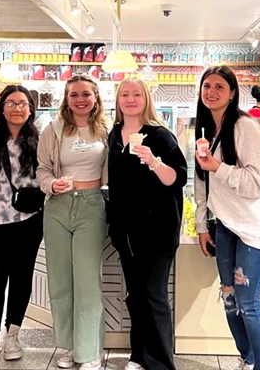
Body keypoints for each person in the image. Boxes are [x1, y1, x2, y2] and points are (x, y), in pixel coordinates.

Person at [194, 66, 260, 370]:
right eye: (207, 86)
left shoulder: (245, 127)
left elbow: (258, 183)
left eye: (220, 86)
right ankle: (248, 359)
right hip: (226, 227)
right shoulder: (209, 130)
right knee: (231, 301)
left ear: (232, 93)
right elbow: (201, 181)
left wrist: (218, 167)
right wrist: (202, 225)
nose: (211, 92)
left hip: (255, 228)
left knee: (249, 303)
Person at [107, 78, 188, 370]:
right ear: (118, 101)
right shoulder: (114, 135)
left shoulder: (159, 136)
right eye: (124, 94)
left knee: (153, 296)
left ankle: (161, 363)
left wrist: (154, 162)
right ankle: (139, 355)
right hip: (127, 233)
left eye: (136, 94)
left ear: (146, 99)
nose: (130, 99)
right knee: (136, 295)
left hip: (158, 232)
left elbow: (177, 178)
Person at [37, 74, 109, 370]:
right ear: (66, 99)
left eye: (86, 94)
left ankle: (89, 349)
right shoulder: (52, 130)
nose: (80, 99)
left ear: (95, 98)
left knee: (88, 281)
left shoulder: (106, 130)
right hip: (57, 208)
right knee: (60, 281)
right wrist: (51, 185)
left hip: (92, 206)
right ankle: (66, 346)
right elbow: (42, 168)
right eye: (74, 95)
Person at [0, 85, 43, 367]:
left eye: (23, 103)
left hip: (28, 220)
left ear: (30, 108)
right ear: (2, 108)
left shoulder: (40, 139)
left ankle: (13, 334)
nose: (17, 108)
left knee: (21, 279)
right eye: (11, 103)